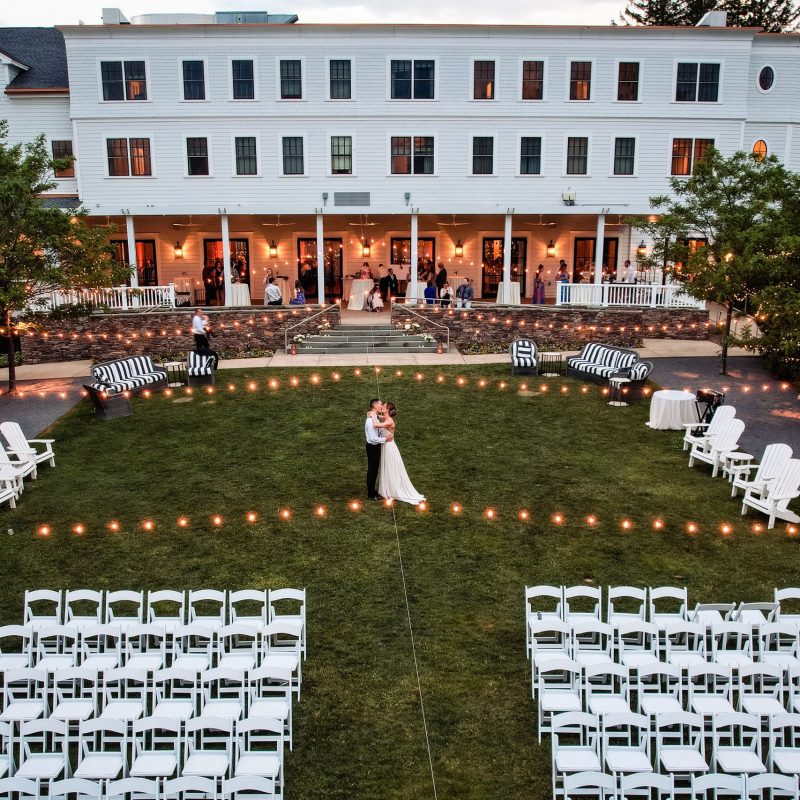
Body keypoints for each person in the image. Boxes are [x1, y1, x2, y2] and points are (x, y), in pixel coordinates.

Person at [371, 402, 426, 505]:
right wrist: (374, 414)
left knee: (390, 467)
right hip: (386, 446)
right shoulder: (386, 418)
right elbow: (379, 416)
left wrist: (373, 416)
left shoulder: (389, 421)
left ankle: (393, 490)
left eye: (384, 406)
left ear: (387, 410)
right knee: (387, 467)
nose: (382, 406)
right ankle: (388, 489)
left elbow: (376, 424)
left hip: (389, 447)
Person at [364, 398, 385, 501]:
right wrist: (385, 439)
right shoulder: (369, 421)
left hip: (376, 447)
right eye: (380, 404)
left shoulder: (375, 417)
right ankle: (371, 494)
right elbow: (372, 438)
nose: (382, 406)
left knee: (375, 470)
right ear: (375, 406)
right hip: (372, 447)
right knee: (372, 470)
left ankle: (373, 491)